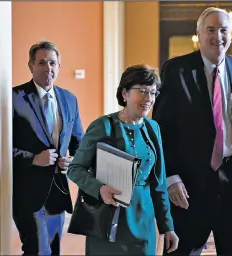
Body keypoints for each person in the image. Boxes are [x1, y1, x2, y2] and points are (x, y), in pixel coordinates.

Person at [152, 7, 232, 256]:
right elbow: (162, 127)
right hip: (189, 185)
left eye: (223, 30)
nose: (217, 36)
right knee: (182, 251)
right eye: (210, 29)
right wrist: (171, 176)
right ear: (198, 34)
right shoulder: (176, 70)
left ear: (231, 34)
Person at [67, 65, 179, 255]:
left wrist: (167, 226)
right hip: (108, 220)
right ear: (125, 93)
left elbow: (158, 184)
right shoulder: (103, 126)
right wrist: (99, 189)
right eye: (142, 91)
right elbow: (75, 169)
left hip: (143, 221)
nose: (149, 99)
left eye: (152, 93)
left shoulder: (153, 128)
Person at [12, 40, 84, 255]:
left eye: (53, 63)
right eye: (42, 62)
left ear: (59, 66)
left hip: (58, 193)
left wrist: (72, 161)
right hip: (26, 192)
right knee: (37, 250)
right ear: (31, 66)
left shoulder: (70, 99)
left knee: (53, 251)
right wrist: (33, 158)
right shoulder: (14, 98)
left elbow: (79, 143)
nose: (48, 68)